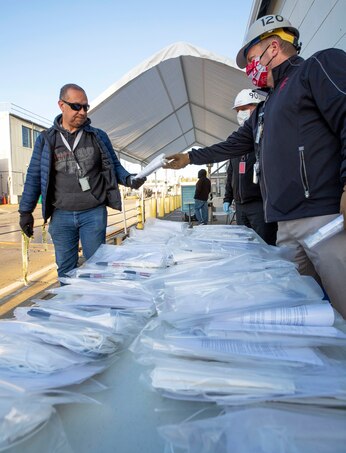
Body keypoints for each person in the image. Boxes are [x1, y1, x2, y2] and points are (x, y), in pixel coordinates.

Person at [163, 15, 346, 318]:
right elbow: (232, 145)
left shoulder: (316, 68)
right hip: (285, 224)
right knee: (300, 311)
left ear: (273, 47)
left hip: (323, 217)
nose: (250, 69)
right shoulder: (265, 107)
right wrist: (190, 157)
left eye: (251, 59)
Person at [19, 83, 146, 279]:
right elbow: (35, 175)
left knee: (97, 267)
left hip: (93, 213)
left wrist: (129, 179)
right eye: (76, 106)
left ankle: (95, 307)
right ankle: (70, 308)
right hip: (61, 215)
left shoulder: (97, 136)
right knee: (66, 269)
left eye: (85, 107)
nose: (82, 112)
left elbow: (114, 166)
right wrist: (25, 211)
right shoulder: (46, 139)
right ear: (61, 105)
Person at [223, 88, 277, 245]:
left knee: (264, 246)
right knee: (246, 247)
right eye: (238, 110)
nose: (241, 113)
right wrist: (228, 198)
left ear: (258, 107)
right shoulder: (236, 140)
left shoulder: (266, 135)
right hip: (240, 206)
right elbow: (231, 174)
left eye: (245, 108)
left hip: (260, 204)